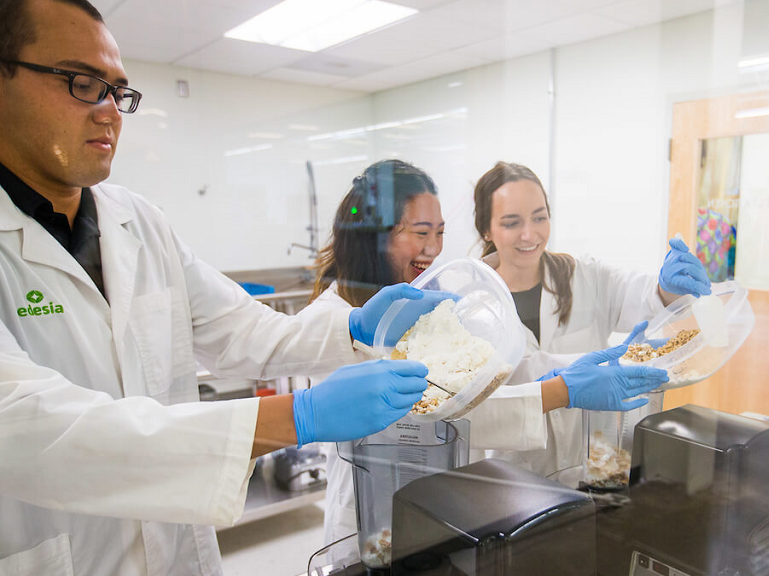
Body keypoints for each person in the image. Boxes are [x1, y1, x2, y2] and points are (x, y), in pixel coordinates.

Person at [0, 2, 445, 575]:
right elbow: (33, 424)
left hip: (178, 551)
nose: (110, 113)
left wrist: (356, 326)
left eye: (119, 91)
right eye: (82, 83)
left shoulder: (141, 222)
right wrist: (298, 416)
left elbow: (248, 332)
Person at [309, 159, 669, 557]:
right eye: (421, 232)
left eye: (441, 232)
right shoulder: (331, 324)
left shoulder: (420, 301)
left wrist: (569, 374)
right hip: (367, 521)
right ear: (373, 237)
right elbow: (424, 417)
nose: (434, 248)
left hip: (438, 505)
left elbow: (478, 375)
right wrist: (561, 389)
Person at [472, 161, 712, 476]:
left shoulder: (581, 276)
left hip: (594, 469)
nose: (529, 234)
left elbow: (636, 295)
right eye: (511, 222)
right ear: (487, 228)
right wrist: (569, 381)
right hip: (513, 477)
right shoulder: (471, 307)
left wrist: (665, 289)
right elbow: (482, 406)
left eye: (540, 217)